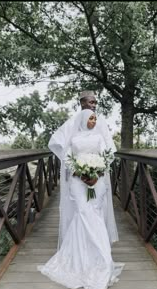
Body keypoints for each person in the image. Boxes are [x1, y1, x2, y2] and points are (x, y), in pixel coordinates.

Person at [38, 110, 124, 289]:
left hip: (98, 181)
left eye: (95, 118)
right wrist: (81, 173)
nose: (93, 121)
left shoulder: (100, 138)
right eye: (90, 118)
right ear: (83, 120)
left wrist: (96, 174)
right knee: (83, 212)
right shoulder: (74, 137)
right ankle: (79, 260)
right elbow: (67, 160)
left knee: (94, 213)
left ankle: (101, 259)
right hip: (78, 182)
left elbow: (107, 158)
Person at [48, 91, 118, 249]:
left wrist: (97, 172)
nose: (93, 106)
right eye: (90, 103)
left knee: (95, 210)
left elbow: (108, 151)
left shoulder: (100, 123)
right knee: (81, 210)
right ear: (82, 103)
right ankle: (79, 248)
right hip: (77, 178)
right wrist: (78, 169)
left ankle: (98, 249)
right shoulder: (72, 124)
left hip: (97, 177)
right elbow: (58, 144)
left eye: (95, 103)